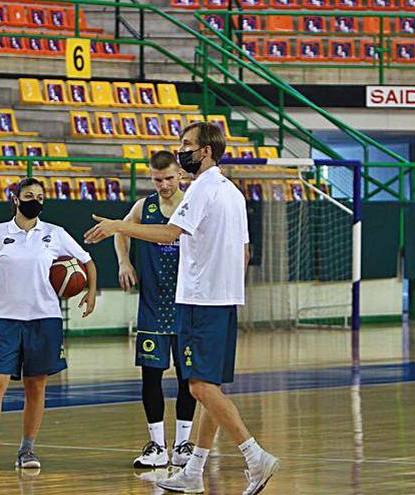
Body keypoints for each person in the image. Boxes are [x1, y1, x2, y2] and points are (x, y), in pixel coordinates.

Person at [86, 122, 279, 495]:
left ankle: (254, 456)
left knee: (200, 387)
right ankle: (193, 471)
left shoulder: (202, 188)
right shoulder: (233, 192)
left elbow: (168, 233)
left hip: (200, 300)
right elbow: (243, 252)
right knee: (210, 388)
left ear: (205, 151)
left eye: (187, 144)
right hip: (225, 300)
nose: (181, 149)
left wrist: (119, 227)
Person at [0, 177, 98, 471]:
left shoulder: (55, 233)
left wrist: (90, 293)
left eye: (39, 196)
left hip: (44, 319)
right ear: (16, 199)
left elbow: (87, 261)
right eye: (28, 195)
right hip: (4, 320)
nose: (34, 199)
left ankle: (27, 449)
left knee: (36, 387)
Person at [113, 151, 198, 469]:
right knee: (151, 376)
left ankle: (184, 445)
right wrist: (125, 261)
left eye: (169, 178)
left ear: (181, 176)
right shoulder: (144, 207)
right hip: (153, 304)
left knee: (188, 378)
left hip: (188, 304)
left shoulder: (192, 205)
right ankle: (157, 446)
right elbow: (121, 230)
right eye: (157, 179)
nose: (163, 185)